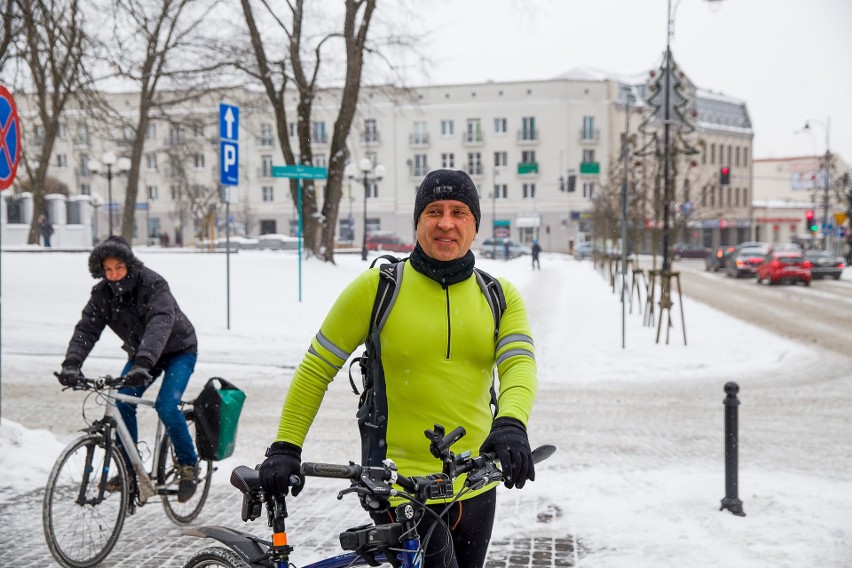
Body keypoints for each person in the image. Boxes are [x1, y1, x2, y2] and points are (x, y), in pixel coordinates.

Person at [259, 169, 538, 567]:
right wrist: (286, 446)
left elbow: (519, 365)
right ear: (417, 222)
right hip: (399, 486)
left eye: (459, 212)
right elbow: (316, 368)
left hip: (474, 483)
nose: (446, 222)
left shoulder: (499, 296)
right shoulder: (378, 288)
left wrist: (511, 423)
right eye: (434, 211)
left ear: (475, 225)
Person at [56, 236, 200, 502]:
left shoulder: (153, 284)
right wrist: (71, 364)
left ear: (129, 264)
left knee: (166, 406)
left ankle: (188, 466)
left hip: (180, 351)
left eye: (119, 268)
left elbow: (159, 324)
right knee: (122, 403)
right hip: (142, 356)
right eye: (107, 270)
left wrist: (143, 363)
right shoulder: (102, 295)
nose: (114, 275)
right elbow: (87, 329)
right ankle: (129, 469)